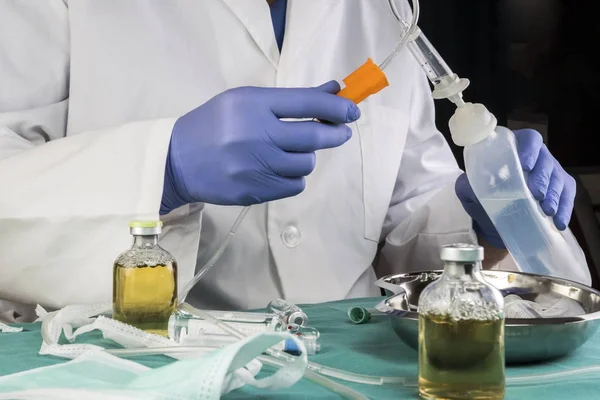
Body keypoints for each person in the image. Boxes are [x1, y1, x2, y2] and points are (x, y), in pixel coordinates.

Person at [0, 0, 580, 320]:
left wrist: (475, 217)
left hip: (355, 357)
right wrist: (163, 169)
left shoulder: (383, 10)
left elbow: (403, 218)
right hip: (133, 363)